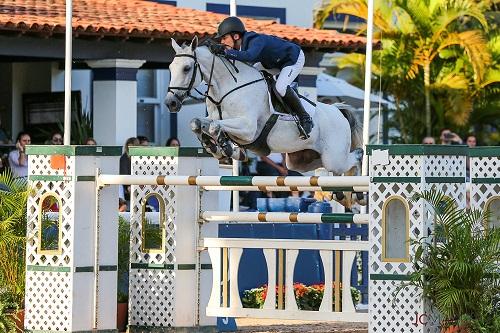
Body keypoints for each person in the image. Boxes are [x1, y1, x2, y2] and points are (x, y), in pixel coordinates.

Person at [211, 16, 313, 138]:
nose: (222, 42)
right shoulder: (240, 46)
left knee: (280, 87)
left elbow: (249, 56)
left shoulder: (255, 40)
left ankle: (305, 118)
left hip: (292, 59)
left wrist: (225, 52)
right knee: (250, 77)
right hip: (271, 63)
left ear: (236, 36)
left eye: (224, 38)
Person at [120, 137, 140, 201]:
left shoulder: (141, 158)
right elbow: (124, 174)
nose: (130, 150)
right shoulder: (124, 158)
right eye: (129, 147)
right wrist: (128, 186)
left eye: (132, 147)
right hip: (129, 185)